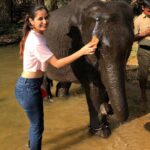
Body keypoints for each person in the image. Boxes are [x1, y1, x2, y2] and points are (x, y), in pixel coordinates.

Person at [15, 4, 98, 150]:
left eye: (46, 18)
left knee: (35, 124)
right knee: (37, 127)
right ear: (31, 21)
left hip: (29, 85)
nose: (45, 21)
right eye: (40, 19)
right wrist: (82, 51)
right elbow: (57, 64)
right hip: (29, 87)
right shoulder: (36, 40)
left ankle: (30, 145)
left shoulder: (35, 35)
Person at [134, 0, 150, 102]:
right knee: (143, 74)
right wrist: (144, 33)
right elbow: (132, 37)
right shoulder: (137, 20)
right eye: (149, 9)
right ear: (143, 7)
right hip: (144, 50)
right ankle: (143, 94)